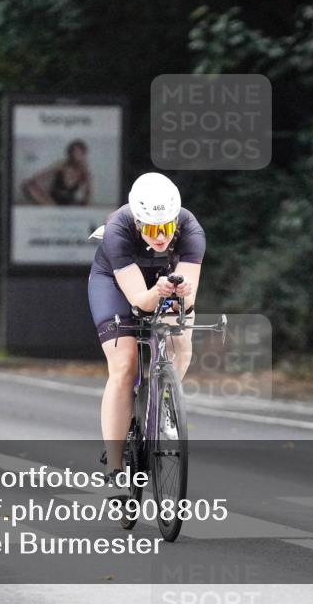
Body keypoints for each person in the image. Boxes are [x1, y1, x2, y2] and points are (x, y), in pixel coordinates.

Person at [88, 172, 205, 484]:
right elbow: (140, 302)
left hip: (163, 281)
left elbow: (188, 298)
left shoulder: (191, 228)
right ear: (138, 223)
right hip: (115, 284)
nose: (160, 236)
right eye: (152, 228)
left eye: (167, 228)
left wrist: (182, 294)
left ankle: (164, 396)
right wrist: (158, 292)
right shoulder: (118, 230)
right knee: (124, 365)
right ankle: (114, 465)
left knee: (181, 340)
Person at [21, 139, 93, 206]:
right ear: (69, 153)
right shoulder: (62, 164)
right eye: (74, 152)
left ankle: (59, 211)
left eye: (79, 152)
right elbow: (43, 174)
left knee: (86, 202)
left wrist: (87, 175)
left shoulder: (85, 170)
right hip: (51, 201)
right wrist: (31, 181)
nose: (76, 155)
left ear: (83, 154)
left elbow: (88, 194)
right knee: (27, 186)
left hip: (70, 203)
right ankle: (53, 208)